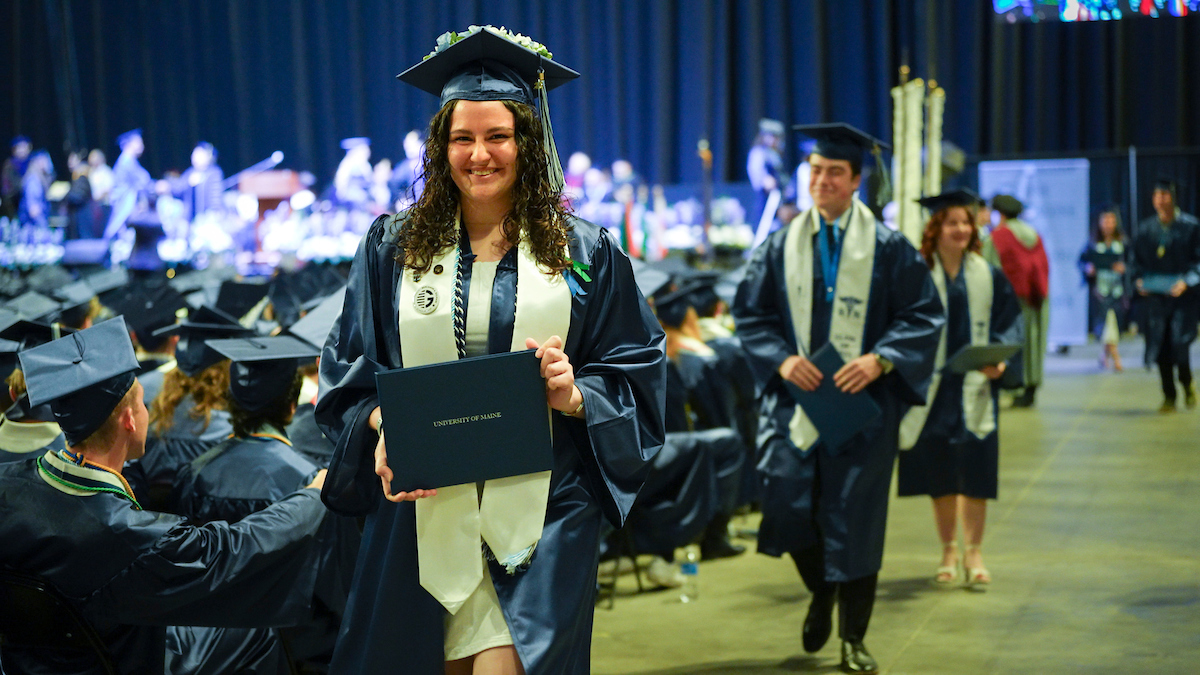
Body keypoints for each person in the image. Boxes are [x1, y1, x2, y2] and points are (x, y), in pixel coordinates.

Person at [316, 26, 666, 674]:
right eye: (463, 138)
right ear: (440, 146)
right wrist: (381, 422)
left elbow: (636, 366)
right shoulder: (391, 248)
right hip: (420, 514)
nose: (480, 154)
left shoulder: (583, 252)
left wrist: (577, 392)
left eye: (497, 136)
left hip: (539, 512)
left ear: (526, 144)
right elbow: (347, 369)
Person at [0, 317, 330, 674]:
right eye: (143, 404)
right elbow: (235, 548)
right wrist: (313, 494)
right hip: (125, 660)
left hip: (31, 664)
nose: (147, 412)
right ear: (129, 419)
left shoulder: (7, 484)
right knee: (254, 631)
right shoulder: (123, 533)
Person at [732, 123, 943, 674]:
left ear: (855, 181)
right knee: (784, 502)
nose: (821, 181)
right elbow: (750, 313)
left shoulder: (889, 248)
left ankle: (854, 637)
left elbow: (923, 314)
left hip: (861, 407)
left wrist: (881, 358)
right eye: (815, 171)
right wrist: (781, 358)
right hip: (796, 403)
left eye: (834, 173)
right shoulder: (780, 244)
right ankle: (822, 587)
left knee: (857, 519)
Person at [172, 335, 361, 668]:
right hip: (294, 650)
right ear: (291, 406)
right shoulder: (312, 483)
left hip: (207, 646)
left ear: (230, 401)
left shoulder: (194, 473)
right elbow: (337, 590)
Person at [895, 188, 1022, 589]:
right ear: (936, 228)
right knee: (941, 474)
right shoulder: (917, 275)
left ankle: (975, 551)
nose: (962, 229)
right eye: (953, 222)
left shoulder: (987, 275)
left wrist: (1000, 361)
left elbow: (1009, 321)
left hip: (975, 385)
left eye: (967, 222)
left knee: (977, 469)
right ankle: (948, 548)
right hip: (933, 390)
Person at [1130, 178, 1200, 412]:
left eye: (1165, 195)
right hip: (1156, 299)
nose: (1160, 199)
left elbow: (1198, 262)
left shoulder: (1190, 227)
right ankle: (1168, 394)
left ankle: (1187, 384)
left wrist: (1187, 281)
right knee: (1160, 348)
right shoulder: (1146, 229)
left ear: (1173, 197)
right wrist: (1137, 281)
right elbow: (1134, 263)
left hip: (1182, 298)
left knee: (1180, 345)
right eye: (1156, 195)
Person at [982, 194, 1048, 407]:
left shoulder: (998, 237)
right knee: (1034, 341)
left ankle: (1014, 385)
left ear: (999, 213)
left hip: (1009, 301)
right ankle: (1031, 386)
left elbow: (988, 271)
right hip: (1036, 298)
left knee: (1010, 342)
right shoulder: (1033, 234)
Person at [1079, 205, 1129, 371]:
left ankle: (1104, 356)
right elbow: (1081, 262)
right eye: (1105, 220)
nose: (1108, 224)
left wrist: (1125, 268)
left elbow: (1134, 264)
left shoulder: (1123, 243)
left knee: (1114, 323)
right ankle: (1116, 357)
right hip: (1099, 291)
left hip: (1118, 291)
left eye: (1111, 220)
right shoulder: (1093, 244)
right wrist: (1088, 269)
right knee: (1107, 324)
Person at [104, 129, 154, 240]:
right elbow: (144, 181)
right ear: (130, 144)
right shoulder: (126, 161)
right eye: (139, 142)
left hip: (127, 202)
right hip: (124, 203)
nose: (142, 145)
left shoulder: (128, 160)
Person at [173, 141, 225, 221]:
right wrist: (188, 183)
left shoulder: (214, 172)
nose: (194, 157)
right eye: (194, 154)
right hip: (188, 218)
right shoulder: (189, 172)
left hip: (207, 217)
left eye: (199, 154)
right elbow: (178, 189)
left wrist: (214, 213)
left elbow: (215, 197)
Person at [747, 118, 785, 228]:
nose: (775, 140)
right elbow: (760, 177)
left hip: (777, 199)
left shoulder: (774, 154)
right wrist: (766, 180)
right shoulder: (758, 153)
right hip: (765, 199)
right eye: (772, 136)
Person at [1, 135, 32, 220]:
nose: (22, 150)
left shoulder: (32, 163)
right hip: (14, 202)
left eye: (24, 147)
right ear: (14, 150)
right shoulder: (10, 165)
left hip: (30, 203)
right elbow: (9, 188)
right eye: (19, 147)